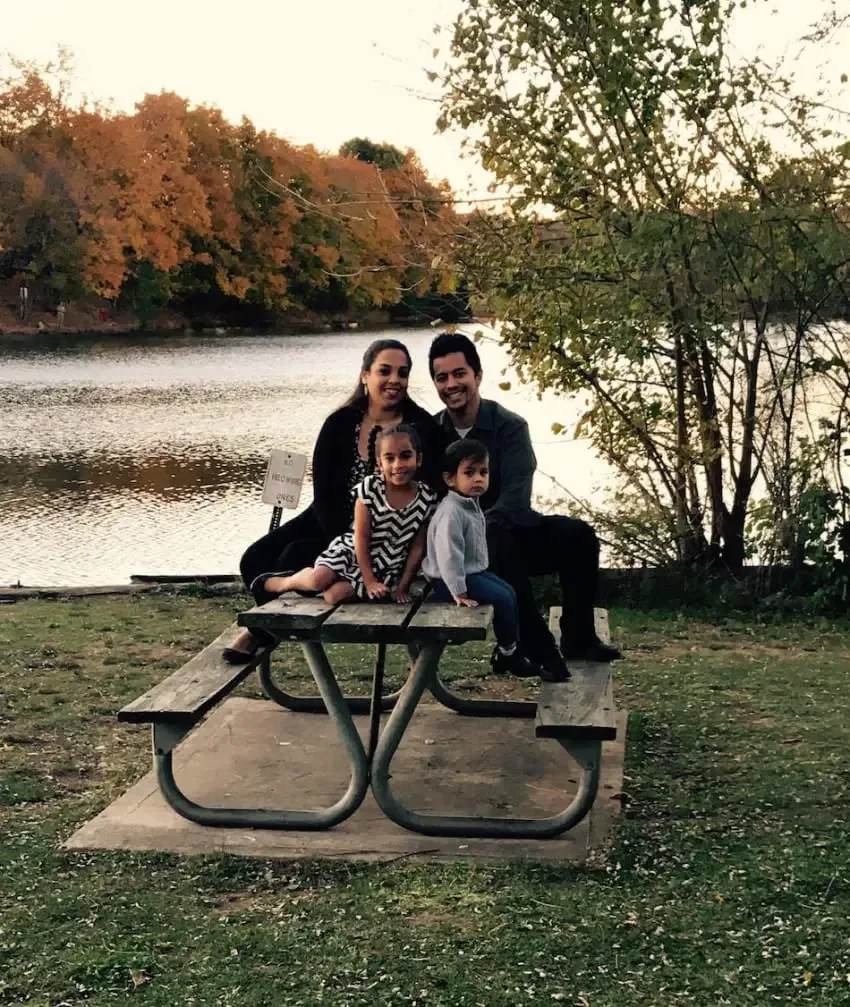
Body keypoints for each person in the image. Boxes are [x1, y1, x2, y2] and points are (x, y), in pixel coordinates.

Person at [223, 339, 447, 663]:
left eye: (403, 372)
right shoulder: (340, 423)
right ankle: (266, 627)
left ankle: (256, 632)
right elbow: (324, 492)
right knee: (255, 559)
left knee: (294, 556)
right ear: (365, 375)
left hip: (386, 535)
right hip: (331, 521)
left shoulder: (421, 428)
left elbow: (427, 495)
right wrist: (341, 543)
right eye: (385, 371)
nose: (394, 379)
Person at [428, 332, 621, 680]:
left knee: (578, 536)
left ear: (477, 376)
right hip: (457, 551)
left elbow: (517, 495)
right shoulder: (431, 433)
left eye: (460, 374)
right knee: (502, 549)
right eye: (442, 377)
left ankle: (578, 637)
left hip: (509, 528)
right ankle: (535, 648)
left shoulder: (509, 426)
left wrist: (488, 527)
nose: (451, 384)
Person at [422, 439, 561, 680]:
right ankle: (508, 654)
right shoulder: (451, 513)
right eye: (469, 473)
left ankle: (511, 649)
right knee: (503, 598)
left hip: (470, 573)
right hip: (449, 581)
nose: (478, 479)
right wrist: (459, 591)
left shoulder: (470, 505)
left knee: (510, 591)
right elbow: (448, 556)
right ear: (450, 479)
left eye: (483, 472)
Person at [252, 424, 436, 605]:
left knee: (333, 596)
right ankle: (282, 582)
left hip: (385, 566)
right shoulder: (370, 489)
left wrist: (403, 587)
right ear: (380, 463)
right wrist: (369, 581)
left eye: (405, 456)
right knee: (318, 580)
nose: (398, 465)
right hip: (351, 551)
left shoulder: (426, 499)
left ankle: (326, 586)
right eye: (390, 458)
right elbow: (361, 537)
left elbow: (417, 549)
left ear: (418, 459)